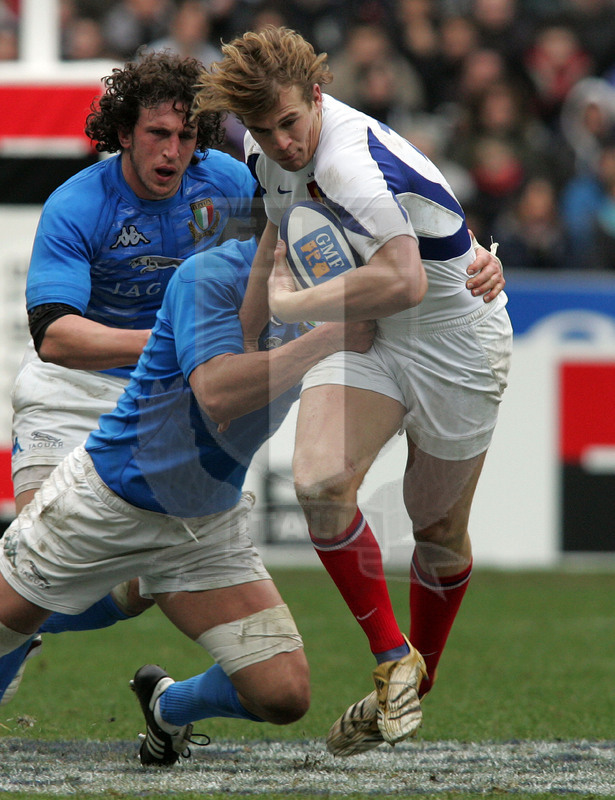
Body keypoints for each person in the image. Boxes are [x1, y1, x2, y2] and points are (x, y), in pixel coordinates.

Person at [192, 26, 512, 757]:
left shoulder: (347, 159)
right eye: (264, 131)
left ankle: (414, 685)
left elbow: (401, 279)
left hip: (453, 337)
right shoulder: (261, 150)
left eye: (290, 123)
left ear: (316, 96)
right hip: (368, 331)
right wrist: (248, 339)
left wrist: (296, 306)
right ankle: (392, 658)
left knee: (433, 530)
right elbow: (276, 235)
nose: (281, 143)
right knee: (319, 481)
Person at [0, 235, 376, 766]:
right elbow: (219, 393)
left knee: (284, 694)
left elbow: (423, 252)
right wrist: (329, 338)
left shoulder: (341, 277)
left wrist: (477, 263)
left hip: (204, 526)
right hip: (106, 502)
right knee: (3, 631)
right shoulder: (210, 275)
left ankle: (167, 706)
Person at [3, 48, 258, 702]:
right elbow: (55, 335)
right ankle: (20, 630)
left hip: (168, 406)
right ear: (123, 133)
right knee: (34, 570)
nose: (173, 151)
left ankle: (146, 673)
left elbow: (281, 264)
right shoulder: (80, 204)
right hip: (73, 393)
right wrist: (169, 340)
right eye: (157, 134)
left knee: (127, 590)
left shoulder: (223, 187)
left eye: (185, 135)